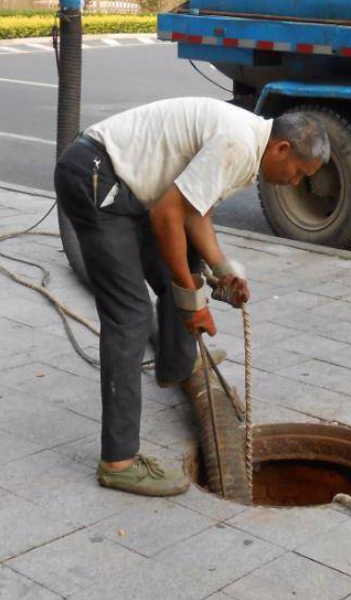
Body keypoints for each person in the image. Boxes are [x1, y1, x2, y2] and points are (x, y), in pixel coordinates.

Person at [54, 97, 330, 496]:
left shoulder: (248, 143)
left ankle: (177, 367)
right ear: (282, 149)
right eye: (299, 173)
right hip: (96, 177)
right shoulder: (238, 143)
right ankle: (118, 462)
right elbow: (166, 216)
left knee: (188, 266)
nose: (295, 183)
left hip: (123, 183)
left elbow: (194, 212)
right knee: (129, 317)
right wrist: (192, 302)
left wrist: (222, 271)